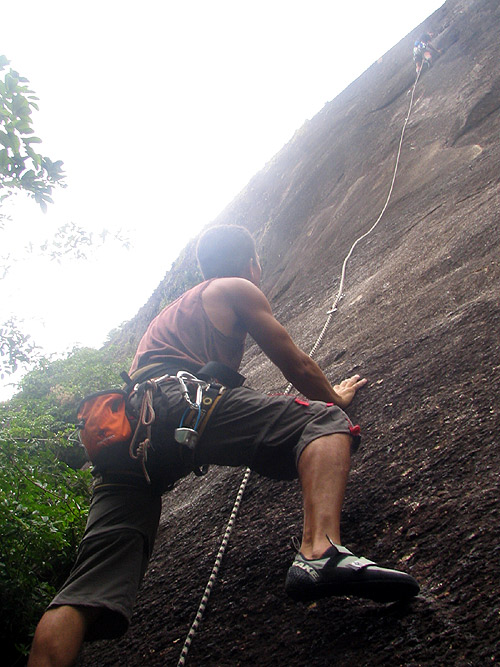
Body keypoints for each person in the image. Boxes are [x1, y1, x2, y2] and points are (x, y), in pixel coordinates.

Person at [28, 225, 419, 666]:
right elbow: (297, 365)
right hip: (178, 403)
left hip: (126, 438)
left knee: (83, 591)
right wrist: (336, 396)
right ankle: (319, 552)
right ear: (251, 263)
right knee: (323, 419)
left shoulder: (164, 320)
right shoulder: (236, 287)